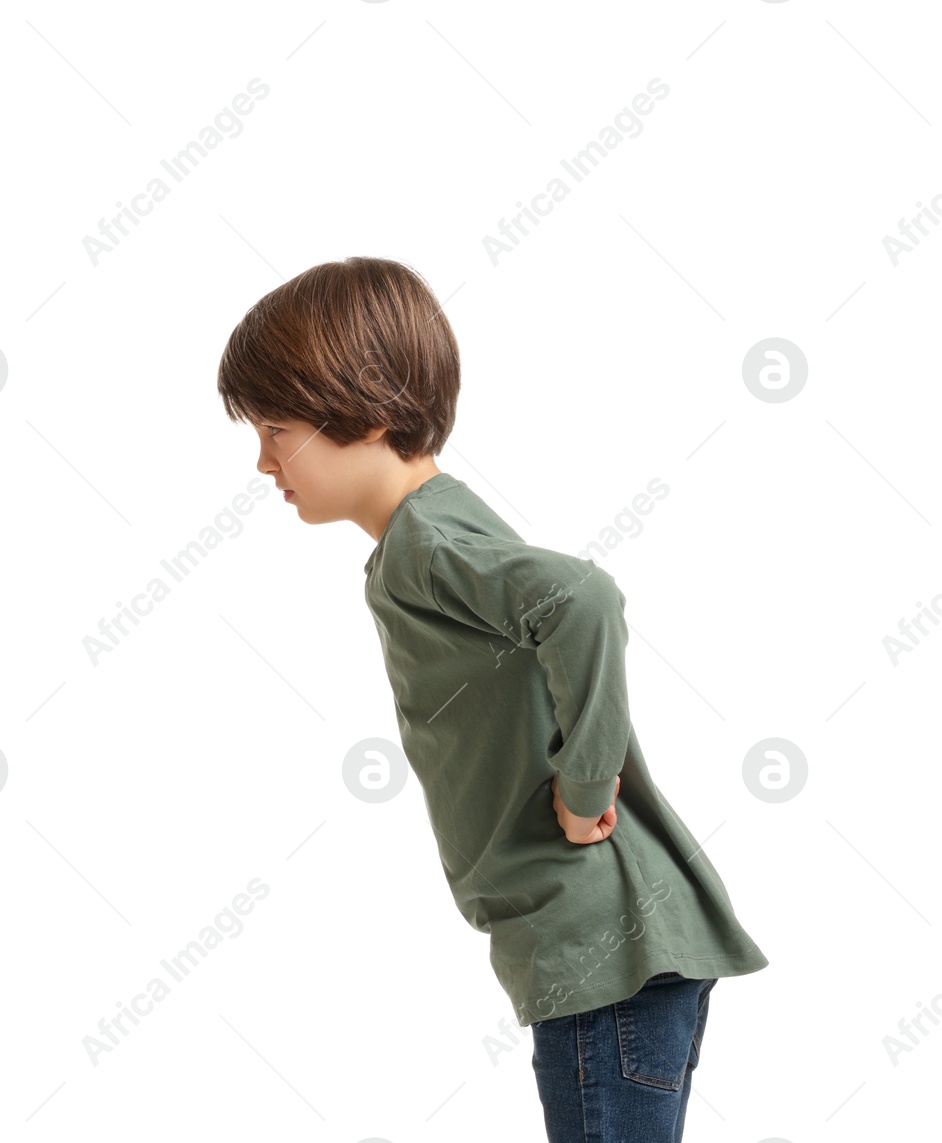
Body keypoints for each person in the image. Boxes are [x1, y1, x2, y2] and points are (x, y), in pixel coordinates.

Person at [216, 257, 768, 1141]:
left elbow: (584, 599)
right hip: (602, 948)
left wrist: (587, 787)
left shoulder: (428, 541)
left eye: (275, 430)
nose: (262, 461)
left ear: (366, 412)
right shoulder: (431, 531)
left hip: (599, 948)